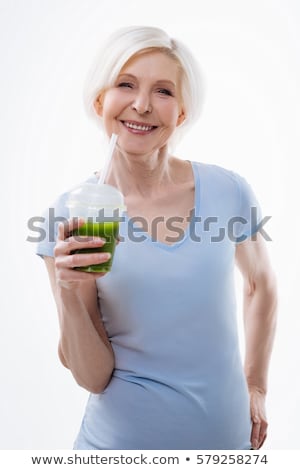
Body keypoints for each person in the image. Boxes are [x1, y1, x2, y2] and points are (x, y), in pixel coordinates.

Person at [36, 25, 277, 450]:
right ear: (101, 101)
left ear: (181, 113)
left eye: (164, 92)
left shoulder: (229, 191)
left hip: (226, 448)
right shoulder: (73, 215)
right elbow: (92, 376)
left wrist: (256, 384)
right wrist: (71, 292)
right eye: (125, 85)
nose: (142, 105)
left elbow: (261, 285)